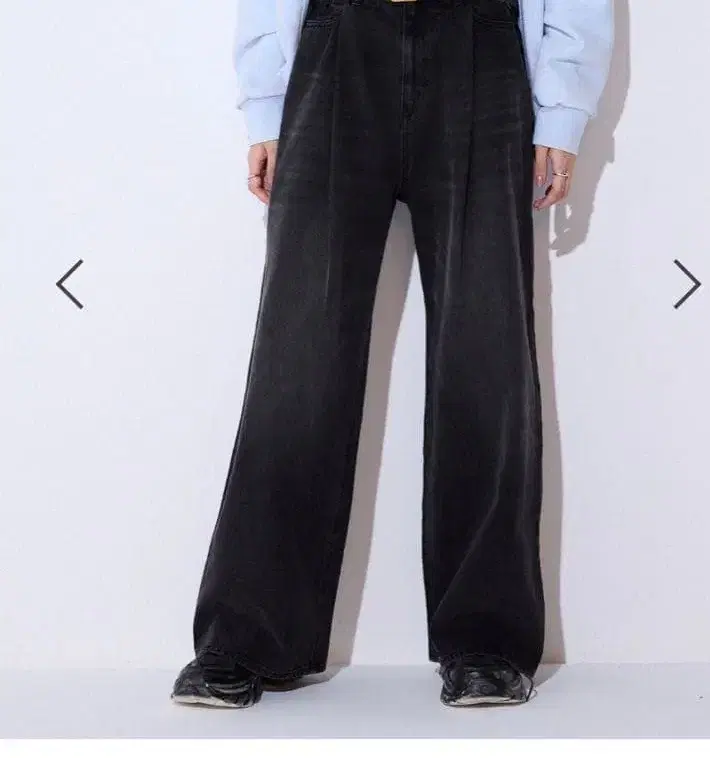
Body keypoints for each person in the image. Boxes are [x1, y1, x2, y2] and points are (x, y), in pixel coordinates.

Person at [172, 0, 613, 709]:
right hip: (335, 46)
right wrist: (266, 102)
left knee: (486, 351)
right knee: (299, 355)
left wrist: (563, 109)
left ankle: (487, 641)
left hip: (482, 47)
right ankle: (249, 636)